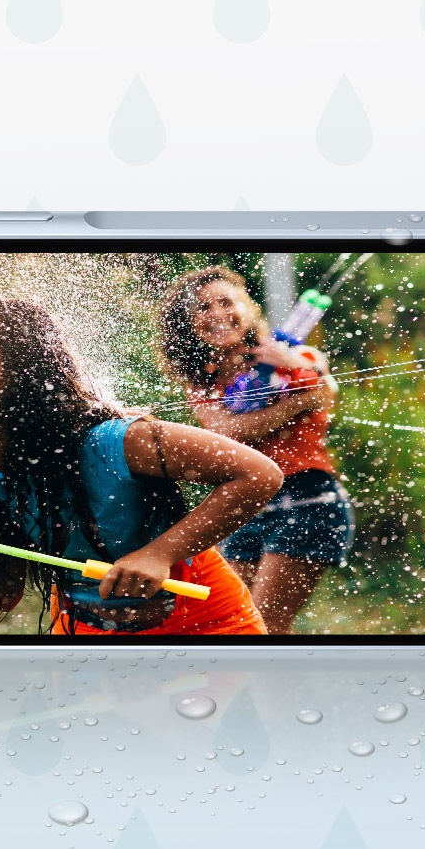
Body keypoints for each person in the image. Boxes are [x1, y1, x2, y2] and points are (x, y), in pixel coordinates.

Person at [0, 291, 280, 635]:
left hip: (207, 622)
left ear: (20, 371)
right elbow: (4, 592)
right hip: (83, 627)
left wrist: (158, 555)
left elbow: (259, 474)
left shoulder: (115, 441)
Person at [156, 265, 356, 634]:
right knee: (234, 628)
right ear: (187, 325)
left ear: (247, 307)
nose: (217, 313)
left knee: (265, 629)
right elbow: (230, 432)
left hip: (308, 503)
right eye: (202, 308)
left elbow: (327, 393)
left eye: (225, 301)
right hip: (244, 510)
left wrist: (296, 367)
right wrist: (297, 403)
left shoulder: (296, 356)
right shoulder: (203, 381)